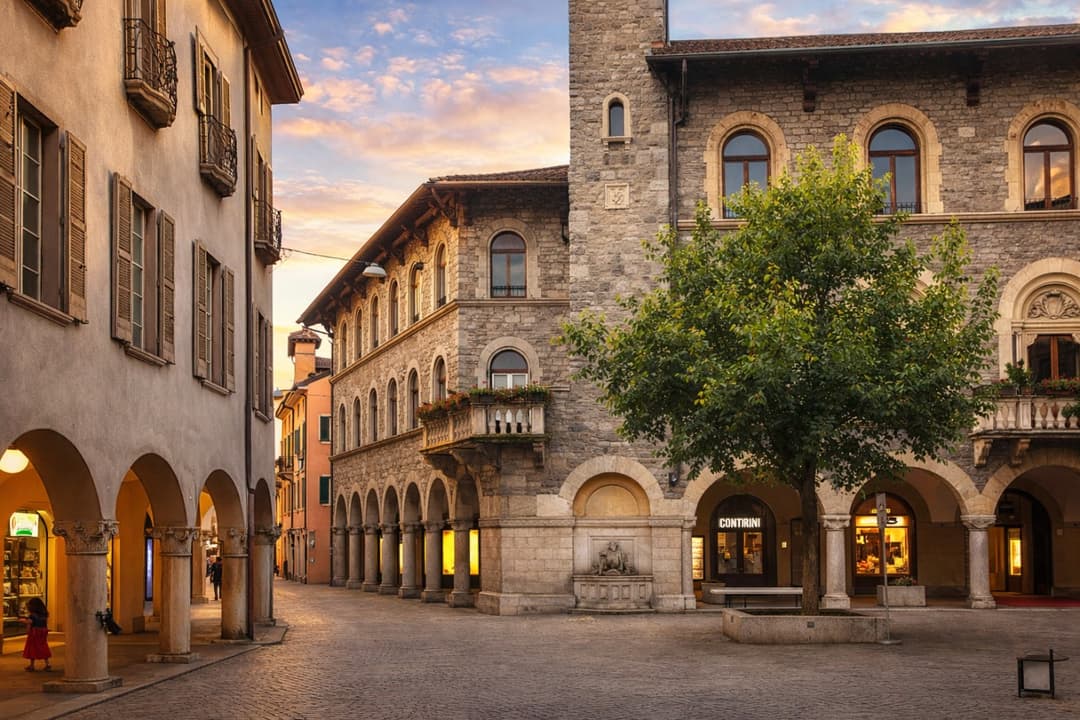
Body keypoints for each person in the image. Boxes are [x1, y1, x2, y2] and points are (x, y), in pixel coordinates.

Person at [22, 597, 52, 672]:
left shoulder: (32, 615)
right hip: (42, 632)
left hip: (34, 632)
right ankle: (47, 663)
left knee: (32, 647)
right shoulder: (44, 614)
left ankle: (32, 665)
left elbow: (30, 622)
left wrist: (23, 621)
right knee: (43, 646)